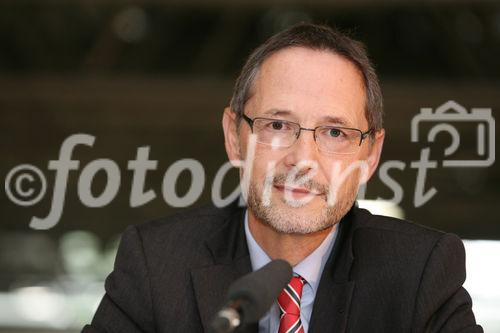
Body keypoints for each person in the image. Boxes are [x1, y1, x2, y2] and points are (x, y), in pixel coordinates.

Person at [83, 23, 482, 333]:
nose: (302, 160)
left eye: (335, 133)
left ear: (370, 154)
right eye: (277, 124)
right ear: (234, 138)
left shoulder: (419, 273)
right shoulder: (156, 264)